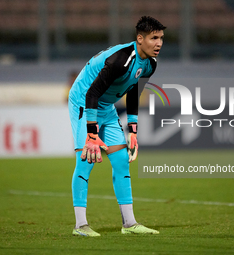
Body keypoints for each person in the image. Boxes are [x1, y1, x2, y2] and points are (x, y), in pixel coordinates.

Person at [68, 16, 166, 237]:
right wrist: (92, 134)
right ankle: (80, 226)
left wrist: (132, 130)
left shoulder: (150, 64)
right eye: (153, 38)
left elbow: (133, 92)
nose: (159, 43)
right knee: (86, 160)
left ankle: (129, 224)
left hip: (105, 105)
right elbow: (91, 93)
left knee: (122, 161)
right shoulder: (121, 60)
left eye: (161, 38)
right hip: (84, 101)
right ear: (140, 39)